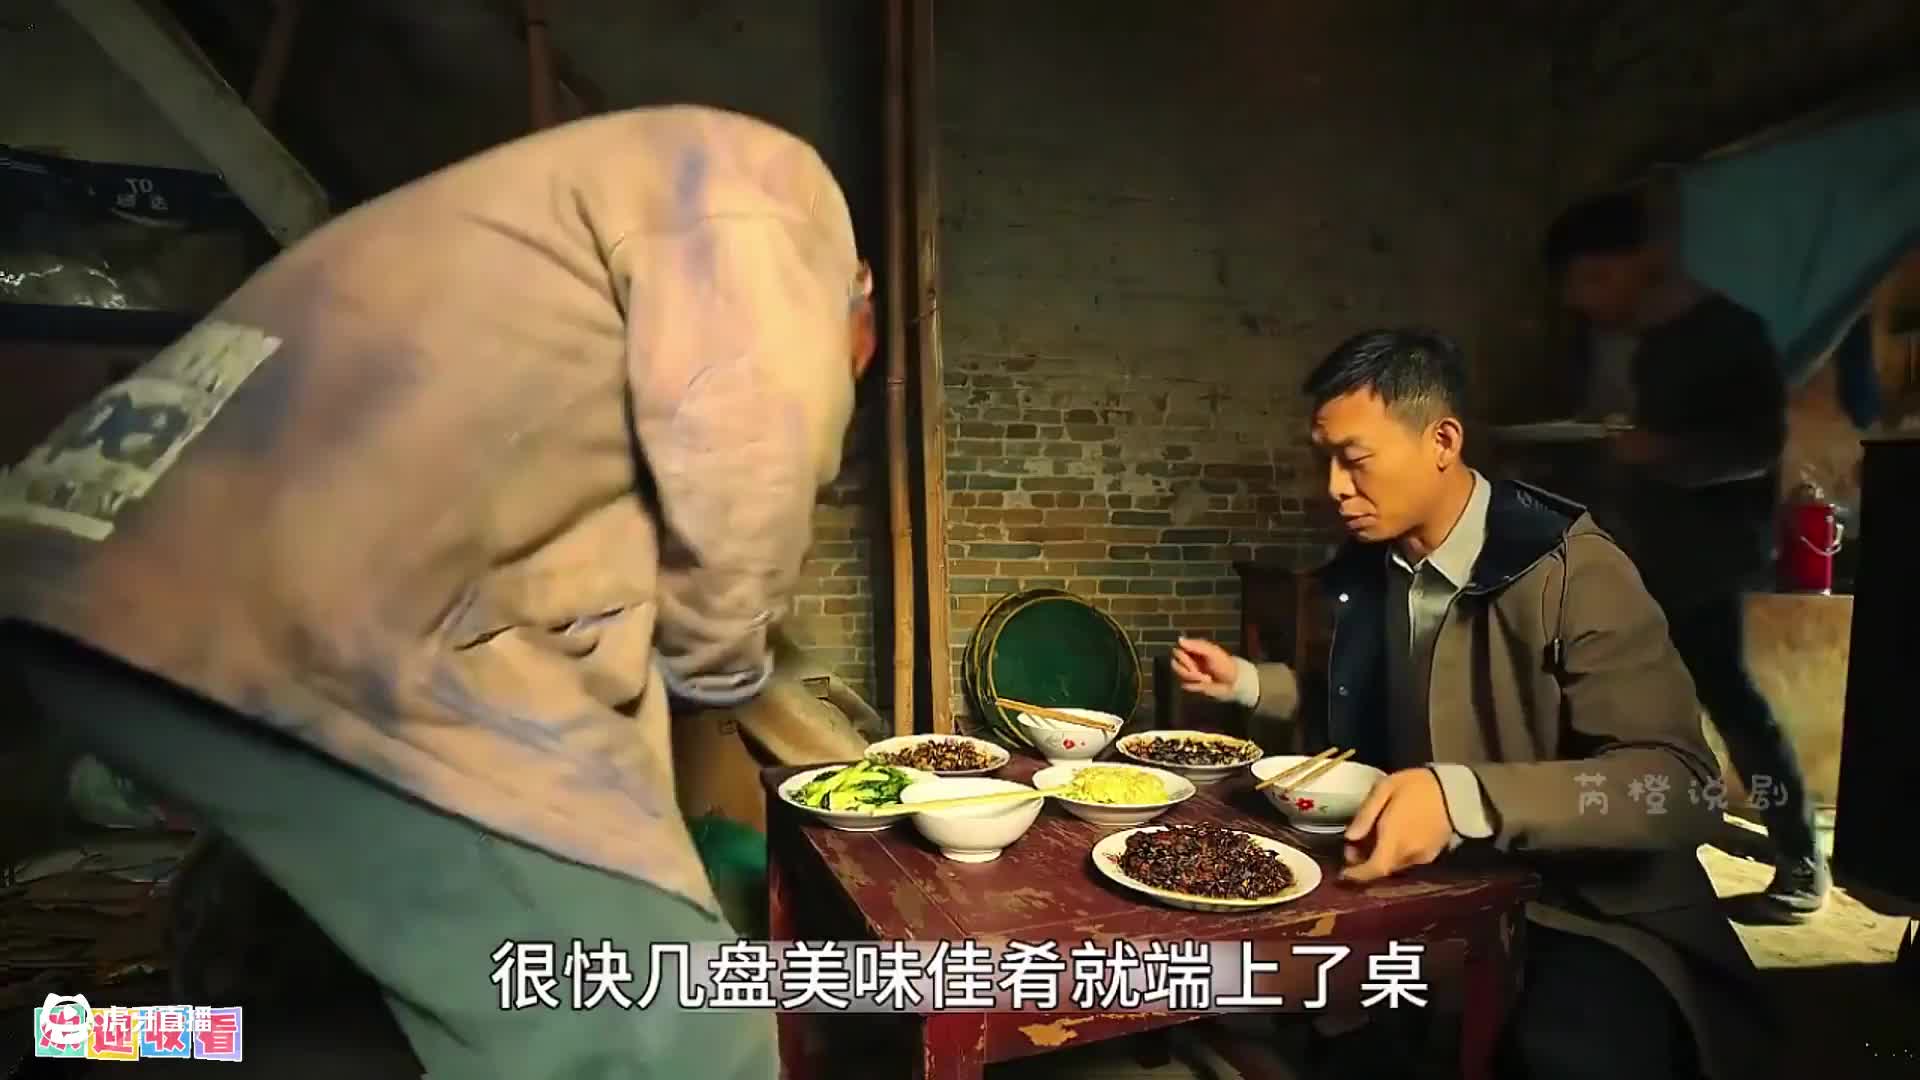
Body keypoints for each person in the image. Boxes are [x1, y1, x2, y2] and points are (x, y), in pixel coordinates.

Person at [0, 106, 873, 1079]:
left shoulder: (545, 250)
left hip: (94, 575)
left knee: (360, 999)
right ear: (857, 308)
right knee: (665, 1027)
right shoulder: (771, 200)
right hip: (320, 633)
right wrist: (723, 669)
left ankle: (67, 1040)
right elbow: (748, 452)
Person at [1172, 330, 1774, 1080]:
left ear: (1442, 441)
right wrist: (1247, 682)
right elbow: (1357, 705)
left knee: (1563, 1055)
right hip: (1425, 887)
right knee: (1252, 995)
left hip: (1578, 907)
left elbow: (1680, 785)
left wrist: (1464, 799)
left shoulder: (1571, 569)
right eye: (1324, 460)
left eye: (1355, 460)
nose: (1334, 487)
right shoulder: (1373, 568)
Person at [1546, 188, 1825, 918]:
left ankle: (1801, 859)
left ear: (1647, 260)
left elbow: (1757, 449)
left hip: (1705, 561)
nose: (1583, 299)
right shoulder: (1622, 340)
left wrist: (1660, 452)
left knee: (1728, 701)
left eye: (1595, 278)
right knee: (1608, 704)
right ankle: (1618, 851)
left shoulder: (1728, 332)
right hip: (1631, 553)